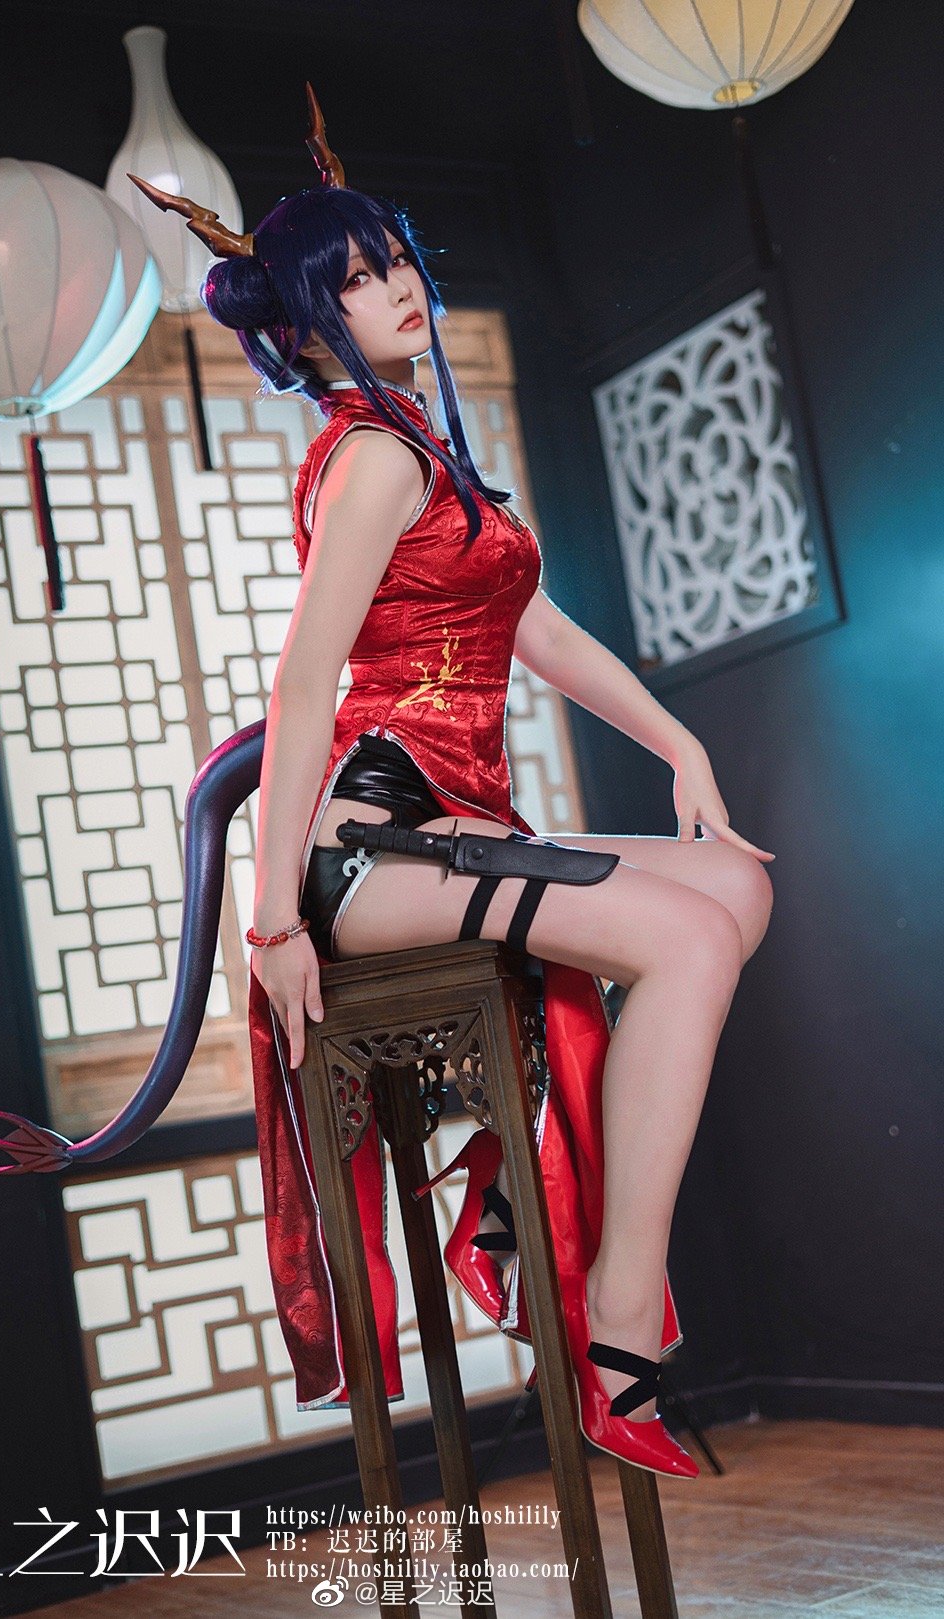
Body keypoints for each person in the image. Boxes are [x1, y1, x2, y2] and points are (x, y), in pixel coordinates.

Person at [131, 87, 775, 1477]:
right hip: (369, 848)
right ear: (313, 328)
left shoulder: (428, 450)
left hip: (453, 831)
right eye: (357, 282)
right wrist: (273, 920)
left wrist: (681, 744)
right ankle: (619, 1312)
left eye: (396, 260)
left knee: (731, 885)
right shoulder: (372, 457)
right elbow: (305, 688)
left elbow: (535, 628)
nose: (396, 288)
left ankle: (520, 1209)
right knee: (683, 936)